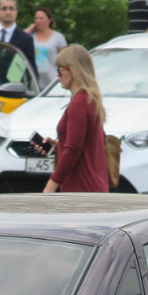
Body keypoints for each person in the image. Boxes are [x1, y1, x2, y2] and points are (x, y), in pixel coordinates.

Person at [40, 44, 107, 193]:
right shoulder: (89, 99)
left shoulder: (79, 103)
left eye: (60, 69)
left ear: (73, 70)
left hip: (81, 189)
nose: (57, 75)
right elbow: (82, 145)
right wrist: (57, 146)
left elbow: (73, 150)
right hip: (92, 186)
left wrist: (50, 187)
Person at [25, 6, 66, 90]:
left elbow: (64, 62)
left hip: (53, 82)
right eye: (36, 18)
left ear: (49, 20)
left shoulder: (58, 37)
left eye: (41, 18)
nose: (38, 21)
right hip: (35, 83)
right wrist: (31, 28)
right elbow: (19, 39)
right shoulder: (30, 38)